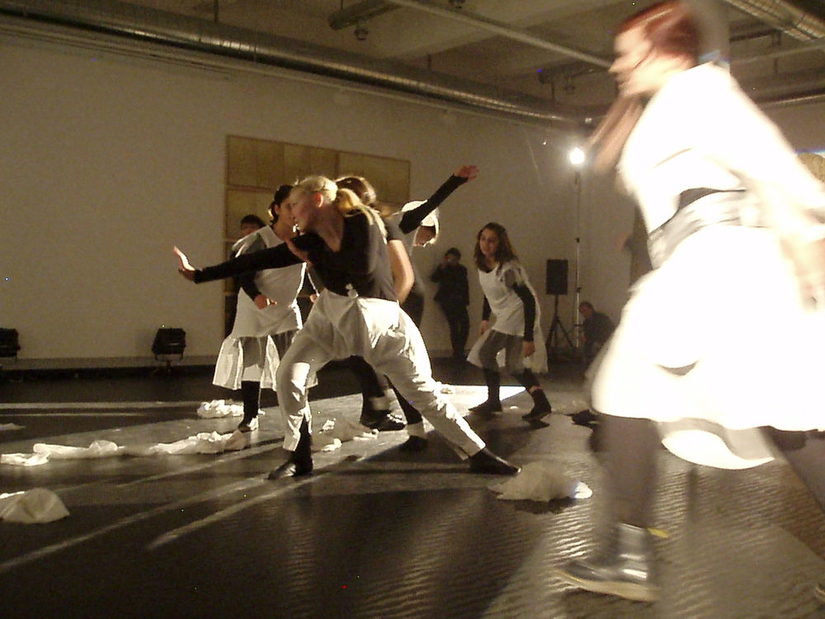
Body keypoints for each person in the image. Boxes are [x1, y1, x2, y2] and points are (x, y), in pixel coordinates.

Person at [554, 1, 825, 603]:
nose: (617, 66)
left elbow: (764, 160)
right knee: (783, 415)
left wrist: (807, 233)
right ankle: (629, 555)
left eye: (628, 54)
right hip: (713, 268)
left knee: (624, 388)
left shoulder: (700, 89)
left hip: (718, 266)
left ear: (668, 51)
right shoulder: (673, 101)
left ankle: (630, 557)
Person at [175, 175, 521, 478]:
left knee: (423, 394)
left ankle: (477, 453)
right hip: (330, 317)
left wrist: (313, 256)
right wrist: (200, 275)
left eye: (294, 205)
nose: (290, 214)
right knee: (288, 375)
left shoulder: (365, 222)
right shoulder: (309, 239)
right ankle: (299, 454)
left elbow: (363, 267)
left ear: (317, 200)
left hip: (379, 320)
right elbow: (260, 259)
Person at [338, 167, 478, 451]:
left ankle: (408, 423)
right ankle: (379, 407)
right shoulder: (352, 228)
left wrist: (455, 180)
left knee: (395, 363)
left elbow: (428, 206)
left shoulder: (394, 222)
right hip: (382, 296)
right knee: (359, 352)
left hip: (402, 295)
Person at [214, 185, 311, 451]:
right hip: (254, 307)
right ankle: (250, 415)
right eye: (289, 206)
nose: (295, 211)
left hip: (286, 308)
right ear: (277, 209)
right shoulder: (260, 239)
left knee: (294, 362)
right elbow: (244, 271)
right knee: (252, 363)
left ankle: (299, 416)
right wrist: (256, 295)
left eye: (299, 206)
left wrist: (313, 291)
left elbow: (306, 268)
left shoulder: (304, 237)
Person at [467, 222, 551, 423]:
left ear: (500, 243)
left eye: (491, 241)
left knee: (485, 353)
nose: (486, 244)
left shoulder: (508, 269)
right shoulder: (483, 264)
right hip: (506, 315)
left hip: (518, 313)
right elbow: (488, 293)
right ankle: (540, 402)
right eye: (483, 239)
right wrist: (485, 318)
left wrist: (528, 337)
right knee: (513, 364)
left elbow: (528, 301)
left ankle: (494, 401)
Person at [431, 247, 470, 360]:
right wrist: (441, 268)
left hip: (459, 300)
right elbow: (434, 279)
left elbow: (465, 286)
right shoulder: (444, 268)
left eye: (454, 259)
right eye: (450, 258)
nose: (452, 261)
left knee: (465, 325)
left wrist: (466, 300)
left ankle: (460, 349)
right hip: (447, 300)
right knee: (454, 326)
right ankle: (457, 351)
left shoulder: (462, 269)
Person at [578, 301, 615, 367]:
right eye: (582, 312)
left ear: (590, 309)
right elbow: (588, 335)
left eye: (585, 311)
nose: (584, 314)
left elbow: (608, 331)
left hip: (605, 341)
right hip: (594, 342)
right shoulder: (586, 322)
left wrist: (598, 342)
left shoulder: (601, 319)